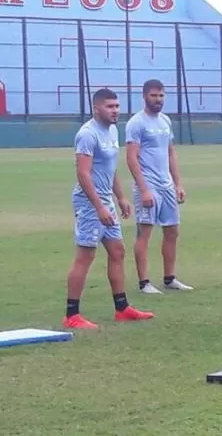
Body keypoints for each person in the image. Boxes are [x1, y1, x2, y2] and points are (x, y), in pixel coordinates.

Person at [64, 88, 155, 330]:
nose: (115, 111)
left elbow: (110, 168)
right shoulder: (87, 134)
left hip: (106, 201)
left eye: (117, 106)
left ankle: (122, 308)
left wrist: (121, 197)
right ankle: (72, 314)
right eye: (110, 106)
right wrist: (99, 206)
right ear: (96, 108)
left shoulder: (113, 130)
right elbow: (83, 174)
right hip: (89, 202)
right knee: (85, 255)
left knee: (117, 251)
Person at [125, 79, 193, 294]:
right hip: (148, 184)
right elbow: (131, 158)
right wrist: (144, 188)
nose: (158, 100)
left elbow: (170, 152)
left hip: (166, 185)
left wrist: (178, 183)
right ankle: (144, 282)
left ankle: (169, 278)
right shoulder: (137, 123)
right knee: (144, 232)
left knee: (172, 231)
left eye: (161, 95)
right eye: (154, 96)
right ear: (145, 96)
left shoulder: (165, 121)